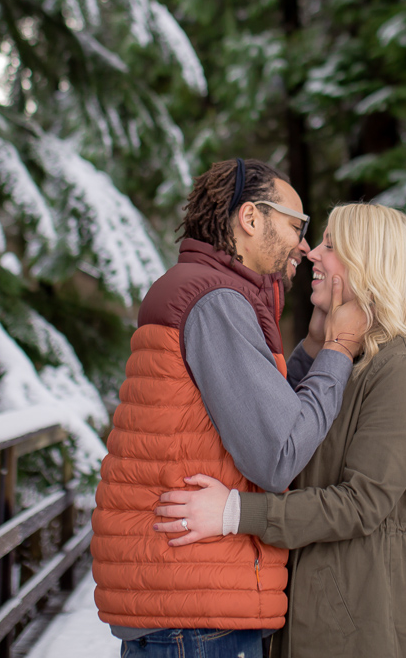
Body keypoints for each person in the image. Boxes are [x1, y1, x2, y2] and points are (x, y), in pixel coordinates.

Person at [91, 158, 367, 658]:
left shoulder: (201, 289)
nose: (304, 245)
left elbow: (253, 409)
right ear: (250, 218)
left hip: (185, 601)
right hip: (195, 612)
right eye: (296, 224)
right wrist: (341, 349)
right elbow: (278, 453)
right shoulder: (216, 299)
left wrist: (308, 349)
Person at [153, 203, 406, 658]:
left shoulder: (404, 366)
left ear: (366, 262)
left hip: (356, 620)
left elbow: (362, 503)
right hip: (302, 609)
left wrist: (235, 513)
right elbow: (286, 436)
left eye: (330, 246)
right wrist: (315, 349)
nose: (312, 254)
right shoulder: (350, 357)